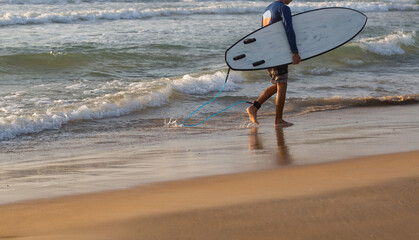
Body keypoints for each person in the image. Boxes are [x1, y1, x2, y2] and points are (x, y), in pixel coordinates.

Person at [247, 0, 301, 127]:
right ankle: (278, 120)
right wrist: (295, 51)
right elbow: (289, 29)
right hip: (277, 52)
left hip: (268, 52)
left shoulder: (267, 9)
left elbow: (262, 33)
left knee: (279, 84)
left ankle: (254, 108)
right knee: (282, 85)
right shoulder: (283, 8)